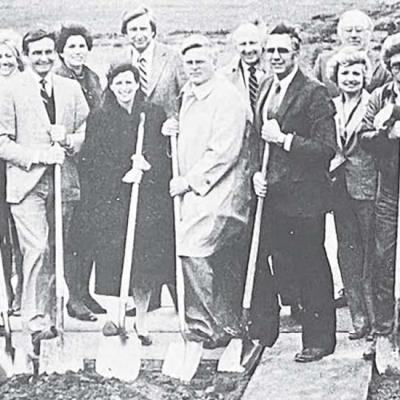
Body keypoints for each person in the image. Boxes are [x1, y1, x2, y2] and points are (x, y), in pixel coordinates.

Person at [164, 34, 272, 353]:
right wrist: (172, 130)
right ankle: (221, 324)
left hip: (223, 191)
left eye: (200, 61)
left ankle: (208, 326)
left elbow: (223, 151)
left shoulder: (227, 97)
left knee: (192, 247)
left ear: (214, 61)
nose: (195, 66)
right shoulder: (188, 93)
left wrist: (188, 181)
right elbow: (189, 141)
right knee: (204, 254)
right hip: (196, 191)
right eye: (189, 62)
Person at [0, 28, 89, 350]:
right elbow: (2, 142)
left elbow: (83, 131)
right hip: (27, 185)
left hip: (62, 182)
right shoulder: (9, 89)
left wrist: (68, 141)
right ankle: (34, 322)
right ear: (26, 55)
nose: (43, 58)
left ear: (56, 53)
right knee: (36, 249)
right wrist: (38, 156)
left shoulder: (69, 88)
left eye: (49, 52)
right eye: (36, 52)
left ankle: (51, 319)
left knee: (55, 252)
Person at [253, 23, 337, 362]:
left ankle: (320, 340)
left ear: (296, 53)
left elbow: (326, 149)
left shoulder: (313, 92)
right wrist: (258, 174)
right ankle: (263, 332)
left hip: (304, 199)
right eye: (270, 51)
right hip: (272, 195)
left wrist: (285, 140)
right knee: (272, 263)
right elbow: (258, 141)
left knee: (311, 266)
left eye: (282, 51)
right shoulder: (264, 87)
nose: (275, 57)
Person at [78, 62, 173, 345]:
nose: (124, 88)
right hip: (113, 201)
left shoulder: (152, 114)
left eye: (129, 82)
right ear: (111, 86)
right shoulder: (100, 117)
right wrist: (123, 174)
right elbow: (91, 162)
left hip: (147, 200)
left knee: (143, 265)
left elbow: (164, 156)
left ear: (137, 84)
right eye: (118, 83)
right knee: (114, 260)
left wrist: (149, 165)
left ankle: (142, 323)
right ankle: (116, 316)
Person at [120, 4, 186, 311]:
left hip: (168, 149)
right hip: (134, 154)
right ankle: (144, 301)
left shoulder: (172, 58)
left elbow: (187, 95)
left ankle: (181, 297)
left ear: (153, 30)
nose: (138, 34)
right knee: (140, 225)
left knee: (169, 224)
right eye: (132, 29)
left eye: (143, 28)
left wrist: (179, 122)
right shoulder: (120, 61)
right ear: (126, 34)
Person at [326, 47, 377, 340]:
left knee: (370, 252)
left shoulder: (373, 104)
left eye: (356, 73)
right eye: (345, 73)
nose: (350, 78)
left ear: (364, 77)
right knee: (347, 252)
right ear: (336, 77)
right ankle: (358, 318)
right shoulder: (331, 106)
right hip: (339, 187)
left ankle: (375, 319)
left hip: (366, 185)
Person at [54, 23, 105, 318]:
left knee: (88, 232)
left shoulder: (93, 78)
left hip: (92, 167)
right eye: (71, 46)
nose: (77, 51)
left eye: (82, 46)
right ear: (61, 51)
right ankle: (72, 296)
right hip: (69, 165)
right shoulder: (59, 80)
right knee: (70, 233)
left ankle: (85, 291)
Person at [359, 32, 400, 359]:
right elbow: (364, 136)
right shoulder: (379, 97)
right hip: (388, 185)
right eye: (396, 65)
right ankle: (383, 331)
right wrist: (388, 133)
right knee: (383, 256)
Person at [0, 30, 24, 315]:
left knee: (19, 233)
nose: (4, 60)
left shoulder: (23, 87)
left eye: (9, 56)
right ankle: (5, 292)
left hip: (17, 168)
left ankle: (20, 293)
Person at [314, 9, 391, 98]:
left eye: (359, 30)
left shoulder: (382, 64)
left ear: (369, 34)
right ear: (340, 33)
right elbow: (314, 94)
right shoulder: (323, 61)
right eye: (348, 30)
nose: (353, 35)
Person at [220, 22, 267, 114]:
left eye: (252, 43)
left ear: (262, 44)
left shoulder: (274, 71)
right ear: (236, 47)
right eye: (243, 44)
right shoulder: (225, 77)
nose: (248, 50)